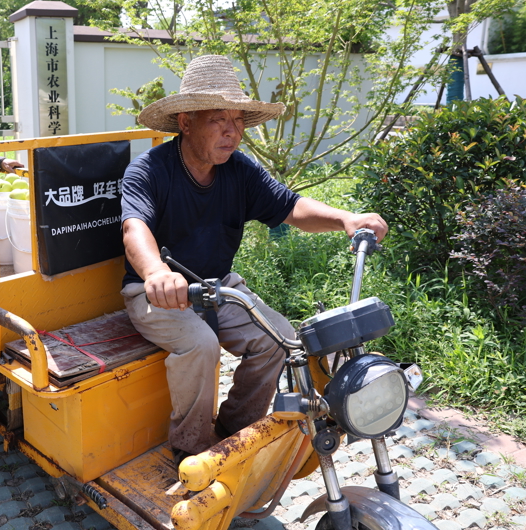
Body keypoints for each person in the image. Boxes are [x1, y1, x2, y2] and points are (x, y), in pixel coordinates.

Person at [120, 55, 388, 462]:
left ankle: (233, 435)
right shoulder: (149, 171)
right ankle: (191, 450)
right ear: (186, 122)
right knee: (201, 345)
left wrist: (345, 219)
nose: (232, 132)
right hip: (156, 293)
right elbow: (134, 229)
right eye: (219, 120)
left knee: (280, 339)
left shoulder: (239, 170)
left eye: (238, 120)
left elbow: (290, 206)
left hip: (218, 287)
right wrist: (156, 271)